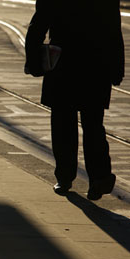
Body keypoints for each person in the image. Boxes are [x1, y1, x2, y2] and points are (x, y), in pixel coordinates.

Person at [25, 0, 125, 200]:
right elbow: (114, 30)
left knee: (63, 123)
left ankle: (65, 176)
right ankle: (99, 176)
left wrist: (34, 62)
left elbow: (38, 25)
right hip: (96, 64)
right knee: (93, 123)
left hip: (64, 64)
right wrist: (116, 67)